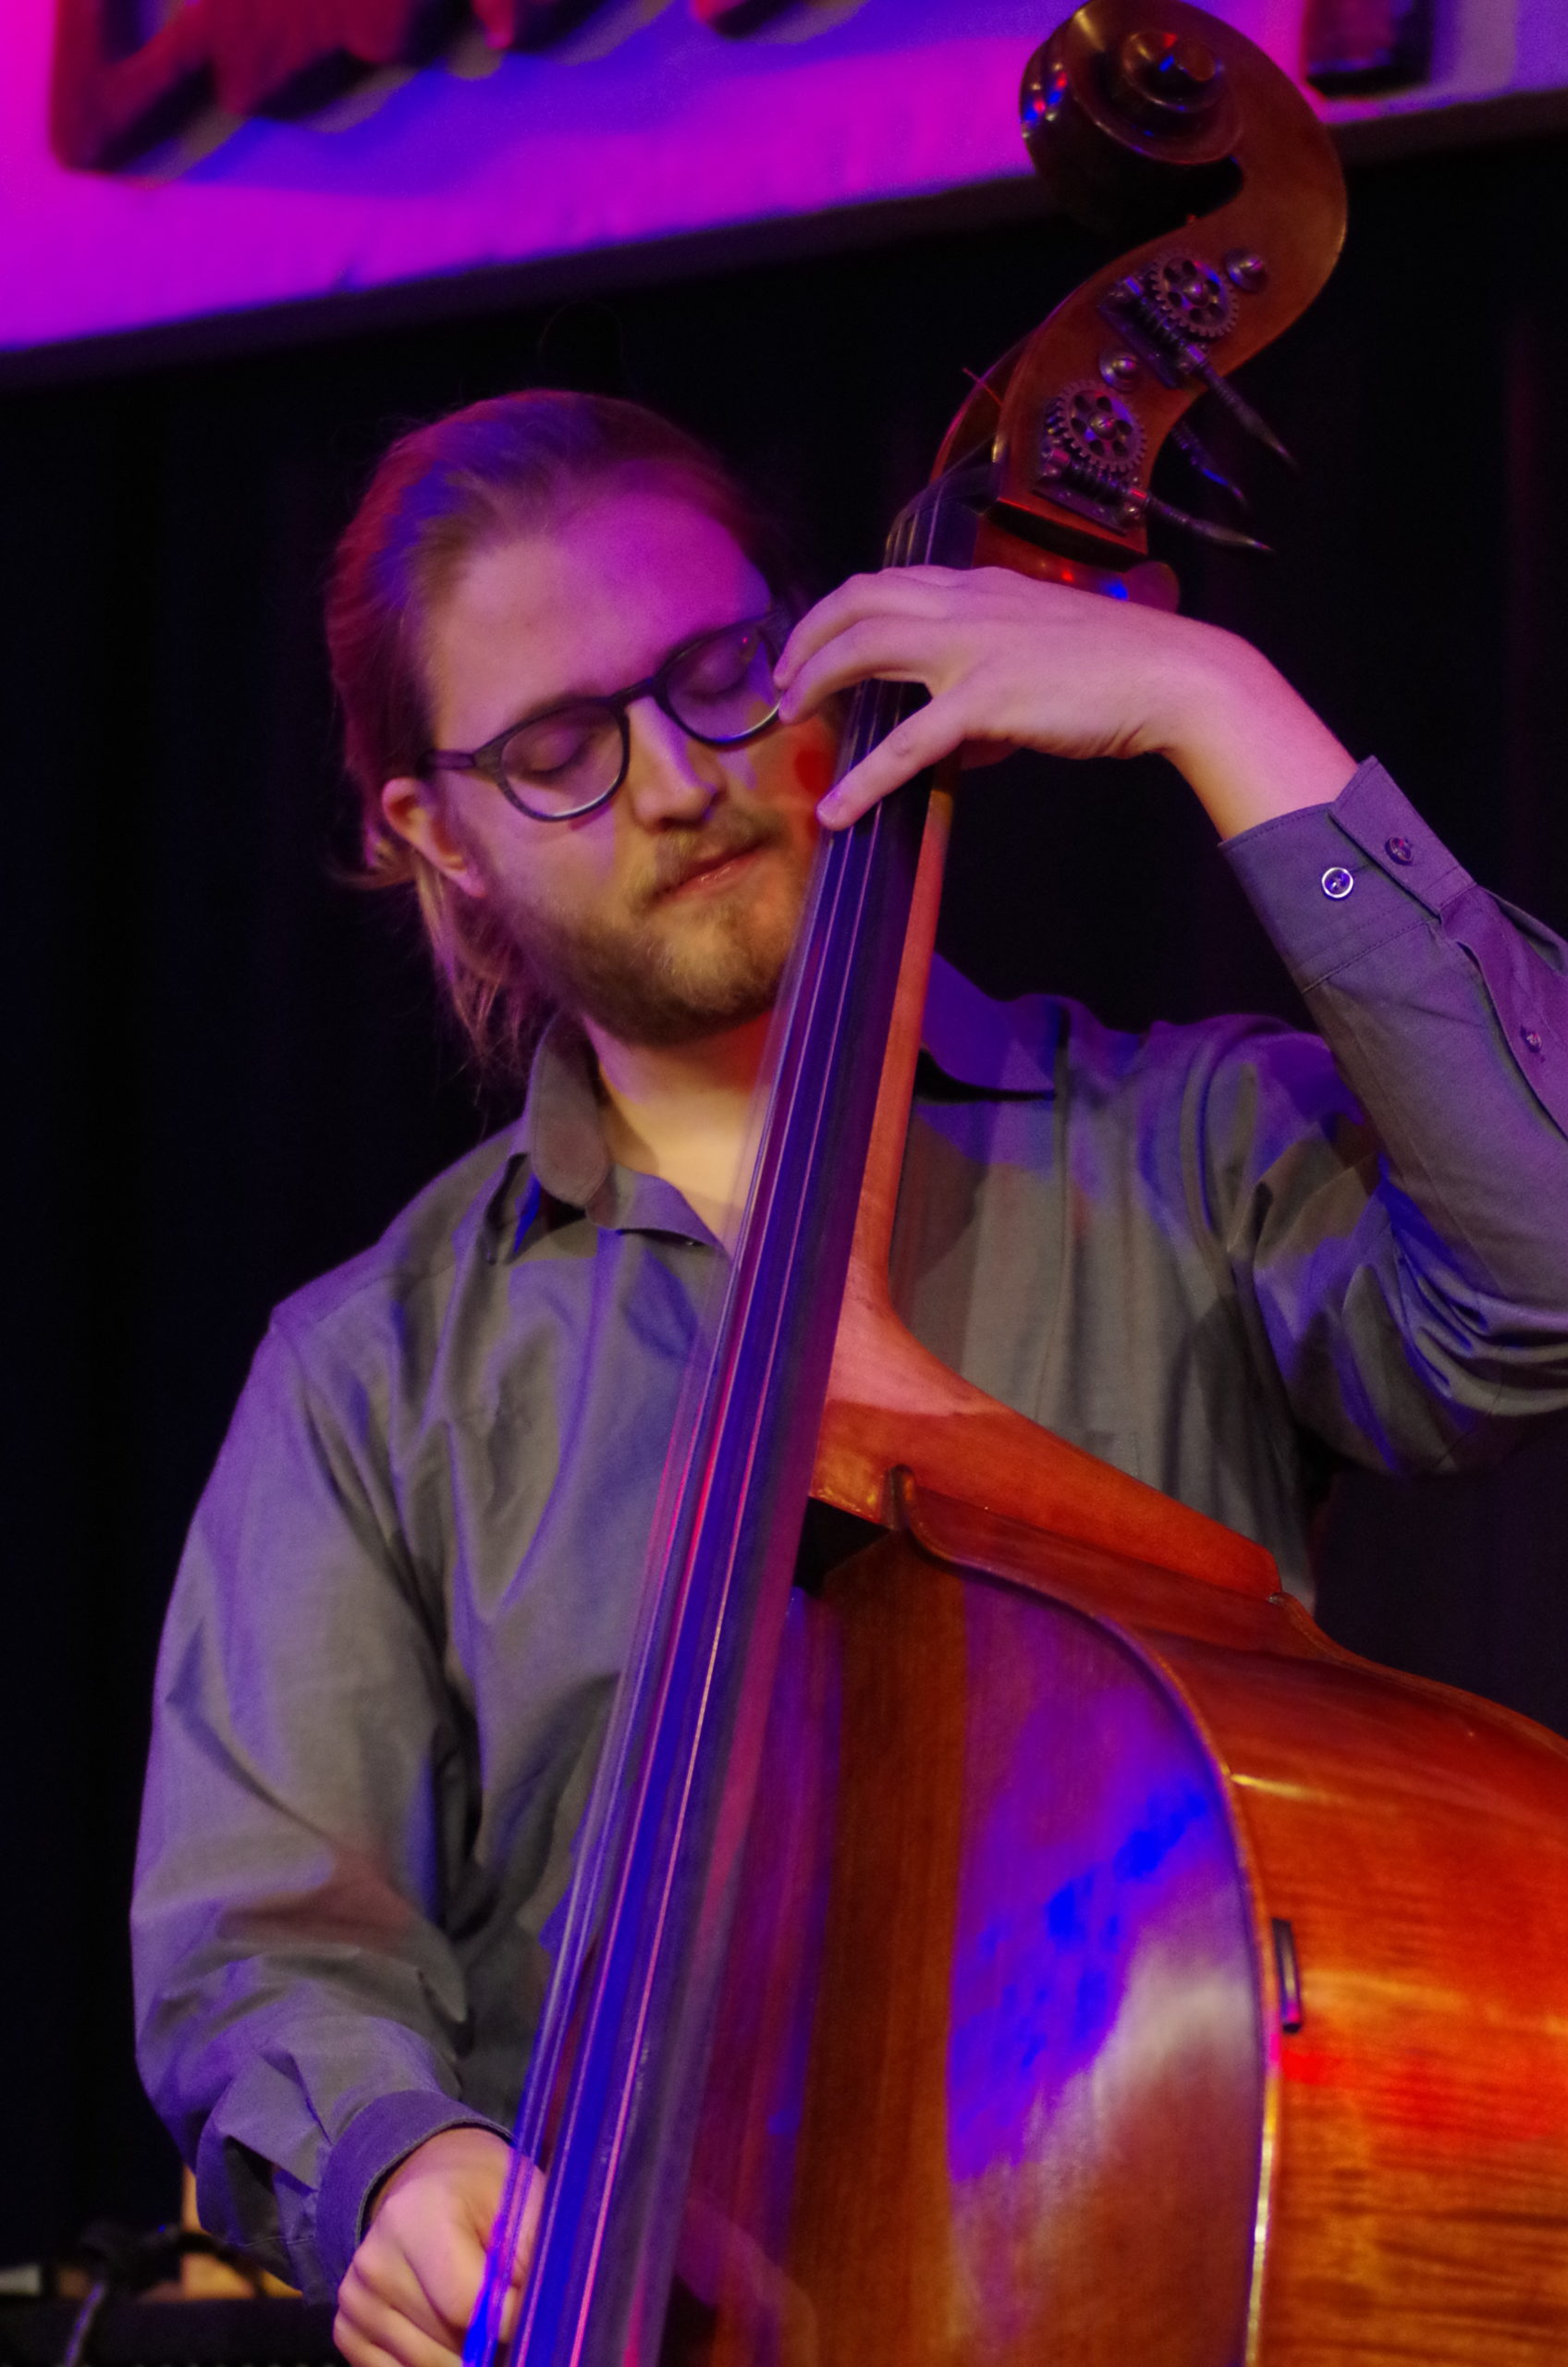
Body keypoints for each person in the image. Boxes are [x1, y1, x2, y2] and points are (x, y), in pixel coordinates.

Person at [132, 390, 1568, 2367]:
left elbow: (1543, 1269)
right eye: (555, 751)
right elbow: (264, 1943)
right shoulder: (369, 1374)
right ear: (433, 832)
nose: (673, 780)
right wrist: (397, 2163)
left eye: (721, 675)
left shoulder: (1186, 1154)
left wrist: (1216, 705)